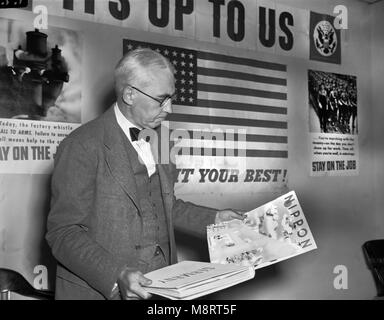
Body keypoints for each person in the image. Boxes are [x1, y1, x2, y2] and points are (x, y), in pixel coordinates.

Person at [46, 48, 244, 300]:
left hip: (162, 288)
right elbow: (63, 232)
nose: (169, 109)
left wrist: (215, 218)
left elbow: (163, 207)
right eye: (162, 99)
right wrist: (115, 274)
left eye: (171, 98)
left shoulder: (160, 139)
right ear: (129, 94)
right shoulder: (81, 145)